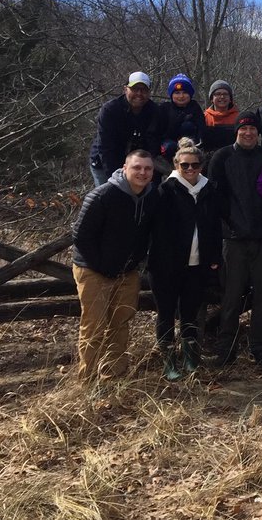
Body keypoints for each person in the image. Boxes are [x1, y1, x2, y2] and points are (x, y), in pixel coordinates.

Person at [72, 150, 160, 380]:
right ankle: (88, 381)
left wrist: (135, 261)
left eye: (148, 168)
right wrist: (102, 267)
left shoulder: (151, 197)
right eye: (137, 167)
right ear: (125, 168)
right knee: (94, 327)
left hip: (127, 272)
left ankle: (113, 377)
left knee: (120, 324)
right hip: (94, 270)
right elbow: (81, 236)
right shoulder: (103, 195)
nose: (142, 172)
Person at [148, 138, 221, 380]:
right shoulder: (165, 190)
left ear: (202, 165)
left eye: (195, 165)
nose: (190, 170)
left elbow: (213, 227)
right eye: (185, 165)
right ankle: (169, 361)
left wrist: (213, 257)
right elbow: (155, 231)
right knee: (166, 312)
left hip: (197, 264)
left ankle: (190, 358)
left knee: (190, 312)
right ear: (176, 164)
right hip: (167, 266)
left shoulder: (209, 189)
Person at [208, 111, 262, 366]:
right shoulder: (222, 157)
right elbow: (215, 198)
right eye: (243, 130)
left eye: (252, 130)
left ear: (258, 134)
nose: (248, 134)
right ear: (236, 131)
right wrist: (229, 226)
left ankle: (260, 346)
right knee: (231, 294)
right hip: (233, 238)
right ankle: (226, 347)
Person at [88, 71, 158, 188]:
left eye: (144, 90)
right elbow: (105, 147)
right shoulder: (110, 110)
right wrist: (117, 178)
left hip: (137, 165)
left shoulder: (154, 111)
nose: (139, 94)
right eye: (135, 89)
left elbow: (153, 142)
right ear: (125, 89)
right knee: (110, 199)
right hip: (105, 163)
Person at [154, 73, 205, 166]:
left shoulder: (194, 107)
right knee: (170, 146)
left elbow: (201, 126)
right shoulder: (165, 108)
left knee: (187, 126)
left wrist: (200, 141)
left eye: (185, 92)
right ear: (171, 95)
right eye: (177, 93)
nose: (181, 96)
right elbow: (159, 131)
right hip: (170, 142)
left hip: (190, 142)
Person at [202, 80, 240, 154]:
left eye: (225, 94)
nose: (222, 97)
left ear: (230, 99)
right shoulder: (204, 117)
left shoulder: (238, 117)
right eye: (218, 94)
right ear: (212, 98)